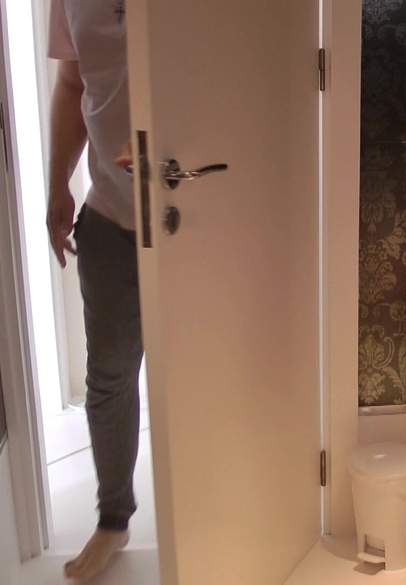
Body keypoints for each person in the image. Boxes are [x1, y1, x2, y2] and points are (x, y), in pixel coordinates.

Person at [46, 0, 140, 580]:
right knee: (108, 378)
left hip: (195, 218)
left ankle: (220, 511)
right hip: (108, 216)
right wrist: (57, 183)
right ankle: (113, 519)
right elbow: (72, 83)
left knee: (203, 375)